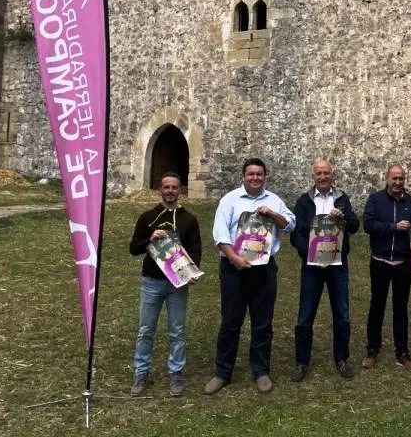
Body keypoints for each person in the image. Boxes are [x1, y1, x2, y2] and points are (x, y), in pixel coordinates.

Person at [204, 158, 296, 395]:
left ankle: (261, 371)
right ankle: (222, 373)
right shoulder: (229, 200)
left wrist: (274, 214)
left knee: (262, 323)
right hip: (233, 269)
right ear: (243, 176)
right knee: (230, 322)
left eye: (259, 174)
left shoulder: (274, 200)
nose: (255, 178)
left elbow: (290, 224)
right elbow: (219, 234)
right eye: (251, 174)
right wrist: (234, 259)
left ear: (265, 176)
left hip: (264, 270)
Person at [128, 172, 202, 397]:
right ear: (160, 189)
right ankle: (141, 374)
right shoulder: (147, 217)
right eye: (166, 187)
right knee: (146, 330)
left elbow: (195, 248)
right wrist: (150, 238)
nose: (170, 191)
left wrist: (192, 272)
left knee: (177, 331)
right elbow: (134, 248)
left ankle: (176, 373)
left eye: (174, 187)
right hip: (152, 281)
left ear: (180, 190)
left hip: (177, 283)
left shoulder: (189, 219)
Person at [289, 159, 361, 382]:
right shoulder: (304, 201)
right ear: (313, 176)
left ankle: (341, 358)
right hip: (312, 266)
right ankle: (302, 362)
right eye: (319, 173)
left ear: (332, 175)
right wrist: (308, 253)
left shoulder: (341, 199)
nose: (322, 177)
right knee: (305, 316)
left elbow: (355, 226)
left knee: (342, 315)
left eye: (326, 173)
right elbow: (296, 234)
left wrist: (344, 218)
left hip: (337, 265)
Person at [361, 164, 411, 372]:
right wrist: (393, 227)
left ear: (404, 180)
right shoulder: (375, 200)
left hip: (403, 263)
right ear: (387, 179)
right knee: (376, 305)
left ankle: (402, 352)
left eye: (401, 178)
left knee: (401, 308)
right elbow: (368, 225)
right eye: (394, 178)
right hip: (380, 261)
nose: (397, 182)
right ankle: (372, 350)